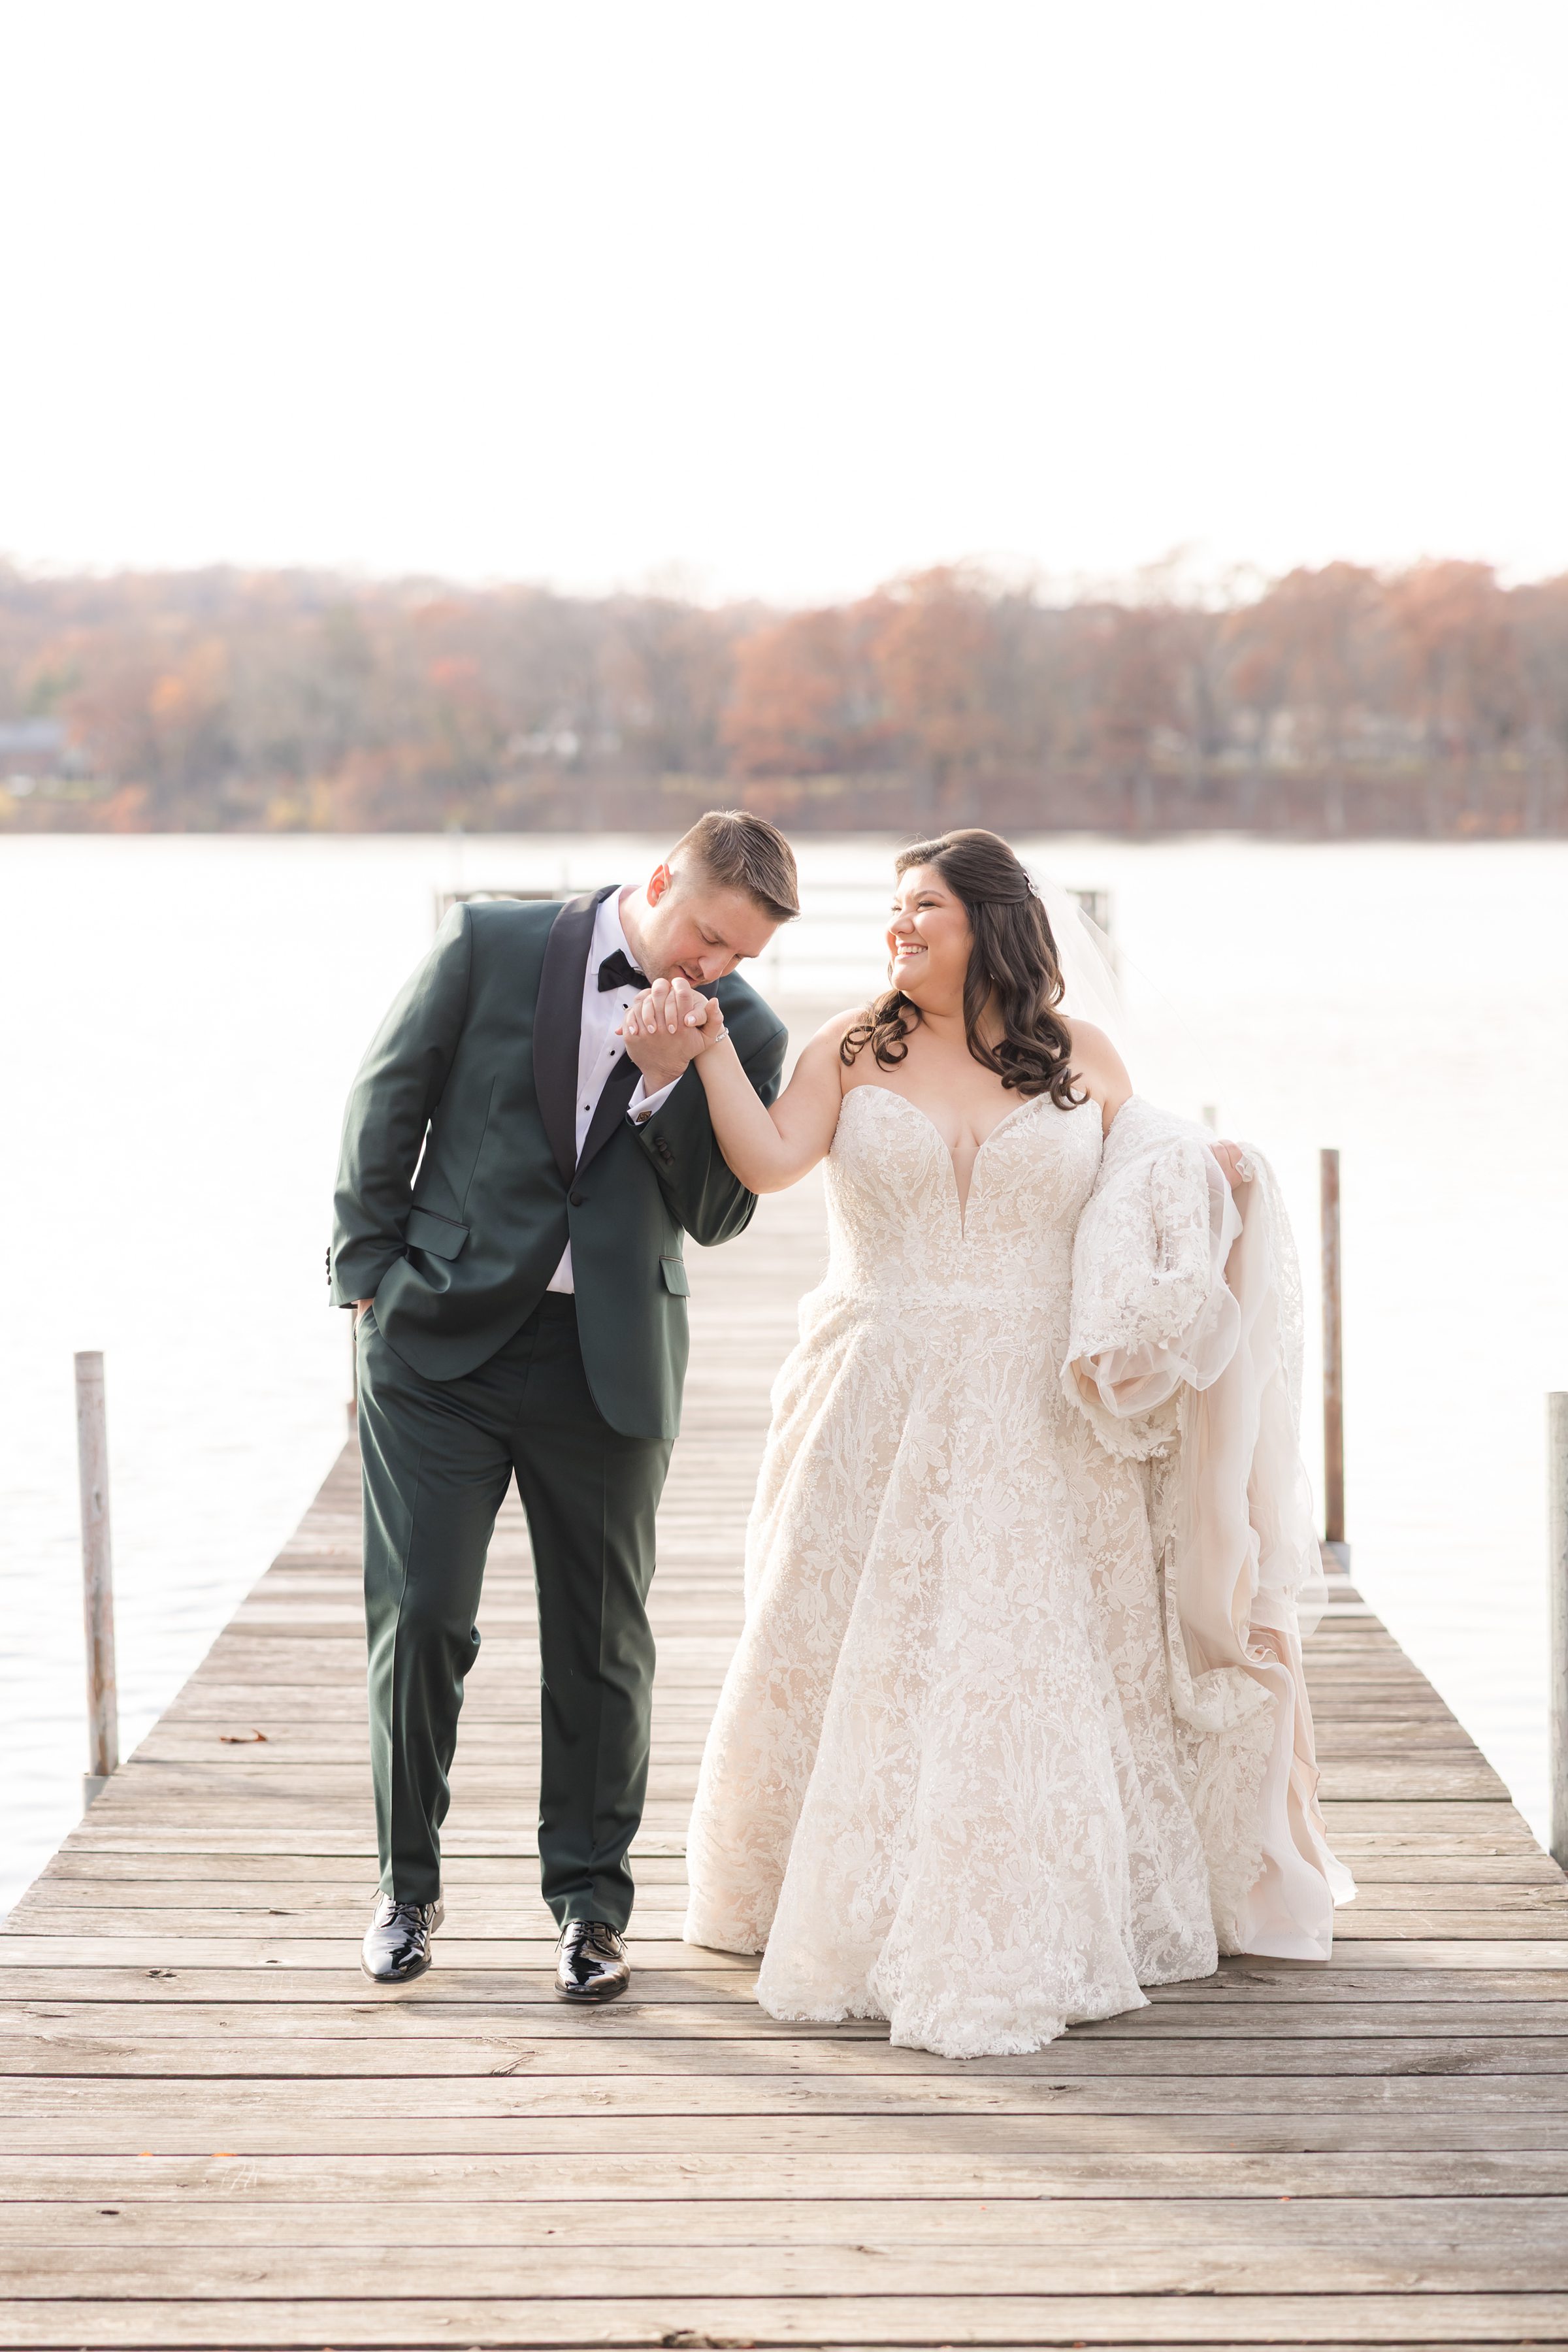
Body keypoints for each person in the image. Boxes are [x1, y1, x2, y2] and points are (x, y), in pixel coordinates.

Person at [622, 827, 1347, 2059]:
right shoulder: (850, 1047)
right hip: (877, 1380)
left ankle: (1041, 1887)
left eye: (923, 909)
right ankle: (821, 1886)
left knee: (1028, 1648)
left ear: (992, 924)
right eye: (895, 911)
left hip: (1036, 1403)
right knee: (852, 1624)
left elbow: (1158, 1192)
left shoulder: (1082, 1060)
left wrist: (1224, 1179)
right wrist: (698, 1065)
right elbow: (769, 1161)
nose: (898, 929)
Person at [329, 811, 796, 1995]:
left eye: (739, 955)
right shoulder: (489, 945)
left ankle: (590, 1911)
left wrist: (662, 1089)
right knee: (423, 1611)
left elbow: (724, 1213)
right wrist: (366, 1281)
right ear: (657, 882)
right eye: (704, 936)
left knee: (600, 1643)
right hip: (439, 1345)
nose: (712, 969)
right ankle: (405, 1888)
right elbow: (389, 1099)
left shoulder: (742, 1029)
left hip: (610, 1360)